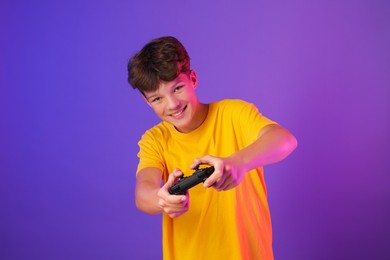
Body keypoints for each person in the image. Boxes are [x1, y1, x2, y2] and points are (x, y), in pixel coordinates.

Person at [127, 36, 297, 260]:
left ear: (193, 79)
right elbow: (142, 193)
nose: (172, 105)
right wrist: (162, 199)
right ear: (147, 102)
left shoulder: (233, 114)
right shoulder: (155, 140)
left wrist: (237, 163)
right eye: (157, 98)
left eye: (177, 88)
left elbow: (284, 140)